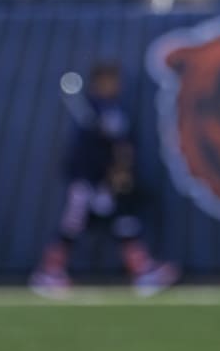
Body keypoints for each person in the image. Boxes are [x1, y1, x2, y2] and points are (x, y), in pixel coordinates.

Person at [30, 61, 177, 297]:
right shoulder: (98, 110)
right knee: (74, 225)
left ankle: (143, 270)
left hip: (105, 183)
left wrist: (120, 170)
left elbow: (120, 146)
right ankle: (49, 272)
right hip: (89, 181)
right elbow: (98, 150)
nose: (116, 85)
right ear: (100, 82)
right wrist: (110, 171)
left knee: (124, 222)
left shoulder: (110, 110)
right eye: (111, 80)